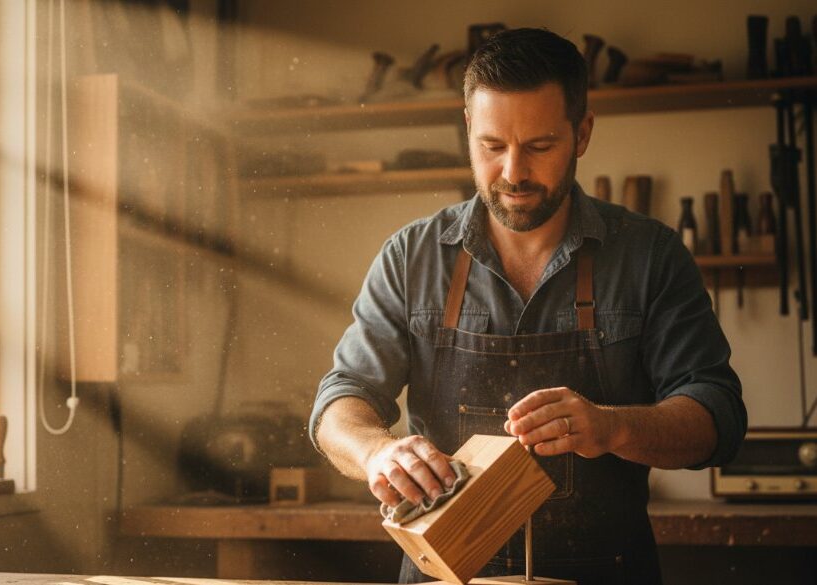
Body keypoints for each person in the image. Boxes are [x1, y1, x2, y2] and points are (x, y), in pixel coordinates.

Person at [309, 27, 746, 585]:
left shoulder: (651, 256)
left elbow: (718, 416)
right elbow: (340, 399)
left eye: (539, 146)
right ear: (468, 129)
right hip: (444, 576)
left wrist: (612, 428)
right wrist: (376, 453)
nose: (513, 172)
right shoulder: (411, 257)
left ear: (582, 133)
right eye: (493, 147)